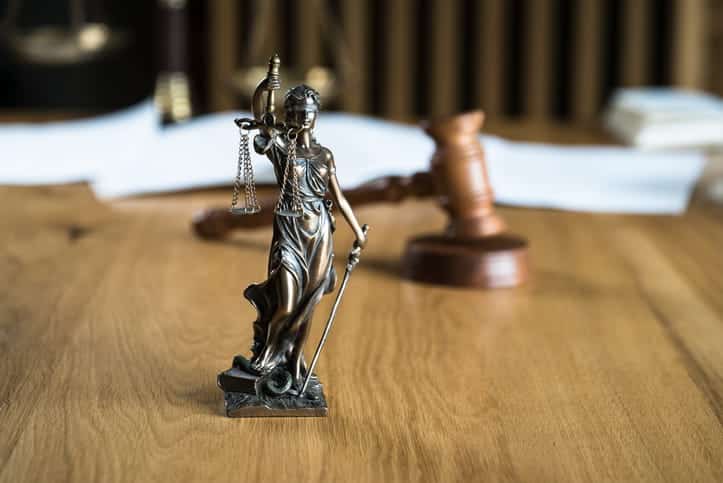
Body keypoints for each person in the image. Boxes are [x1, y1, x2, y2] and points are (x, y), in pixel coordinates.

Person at [243, 69, 367, 392]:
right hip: (290, 230)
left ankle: (295, 361)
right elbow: (260, 115)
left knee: (307, 304)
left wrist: (358, 232)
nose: (302, 118)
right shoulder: (283, 149)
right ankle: (266, 358)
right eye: (296, 113)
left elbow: (338, 198)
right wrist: (265, 85)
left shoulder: (325, 155)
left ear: (316, 116)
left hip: (320, 234)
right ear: (290, 115)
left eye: (308, 113)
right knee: (286, 304)